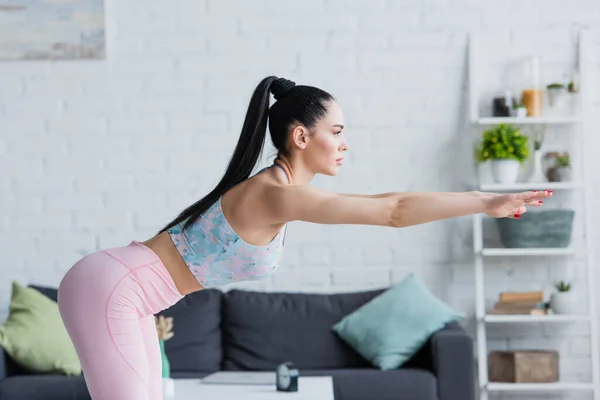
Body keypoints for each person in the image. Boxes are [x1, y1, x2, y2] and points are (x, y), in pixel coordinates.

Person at [56, 76, 552, 400]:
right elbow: (394, 213)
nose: (344, 143)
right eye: (336, 132)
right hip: (113, 289)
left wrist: (484, 201)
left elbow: (391, 198)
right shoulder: (275, 193)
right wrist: (483, 201)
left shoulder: (285, 190)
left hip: (129, 293)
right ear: (300, 137)